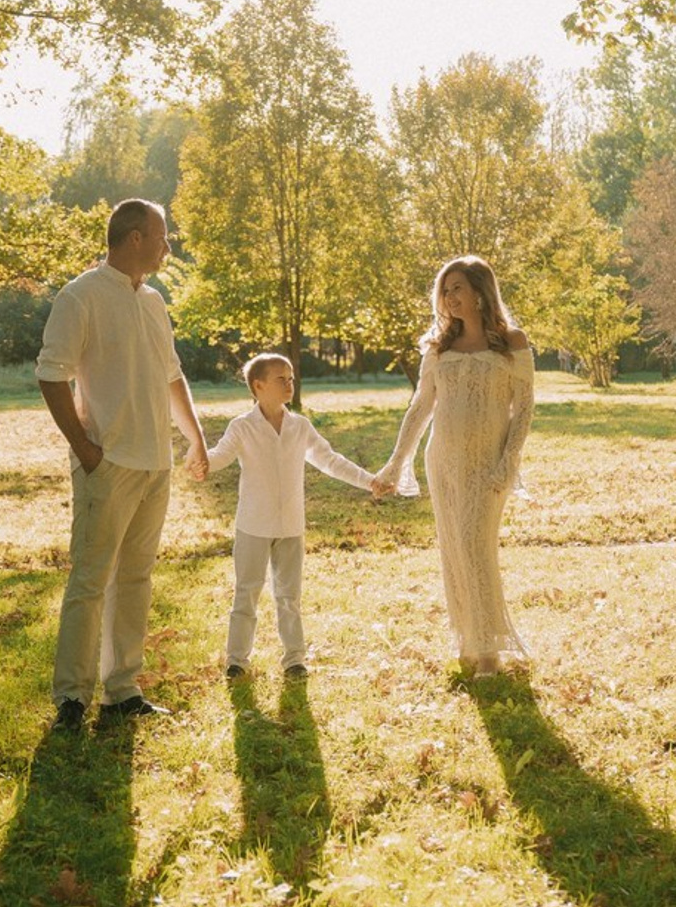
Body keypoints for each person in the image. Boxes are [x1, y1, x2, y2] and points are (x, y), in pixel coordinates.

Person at [36, 199, 208, 732]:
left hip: (156, 464)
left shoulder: (154, 302)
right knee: (91, 578)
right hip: (108, 465)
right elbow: (51, 374)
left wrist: (196, 438)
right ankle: (72, 698)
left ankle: (123, 689)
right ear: (134, 238)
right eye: (162, 235)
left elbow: (171, 376)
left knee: (135, 577)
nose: (167, 245)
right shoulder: (80, 296)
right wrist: (86, 451)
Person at [374, 256, 534, 678]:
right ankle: (469, 638)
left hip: (488, 463)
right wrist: (395, 463)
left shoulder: (512, 342)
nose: (450, 297)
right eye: (445, 290)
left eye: (458, 288)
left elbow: (525, 408)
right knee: (455, 551)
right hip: (443, 461)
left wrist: (509, 461)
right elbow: (421, 407)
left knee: (475, 546)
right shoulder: (438, 346)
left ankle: (489, 652)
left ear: (481, 291)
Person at [201, 352, 376, 680]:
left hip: (291, 526)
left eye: (291, 378)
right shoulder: (242, 427)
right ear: (258, 386)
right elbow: (219, 455)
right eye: (281, 379)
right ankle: (237, 660)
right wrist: (200, 461)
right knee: (246, 593)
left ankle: (294, 659)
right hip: (253, 525)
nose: (289, 384)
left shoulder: (299, 426)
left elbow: (331, 460)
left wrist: (369, 481)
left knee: (289, 596)